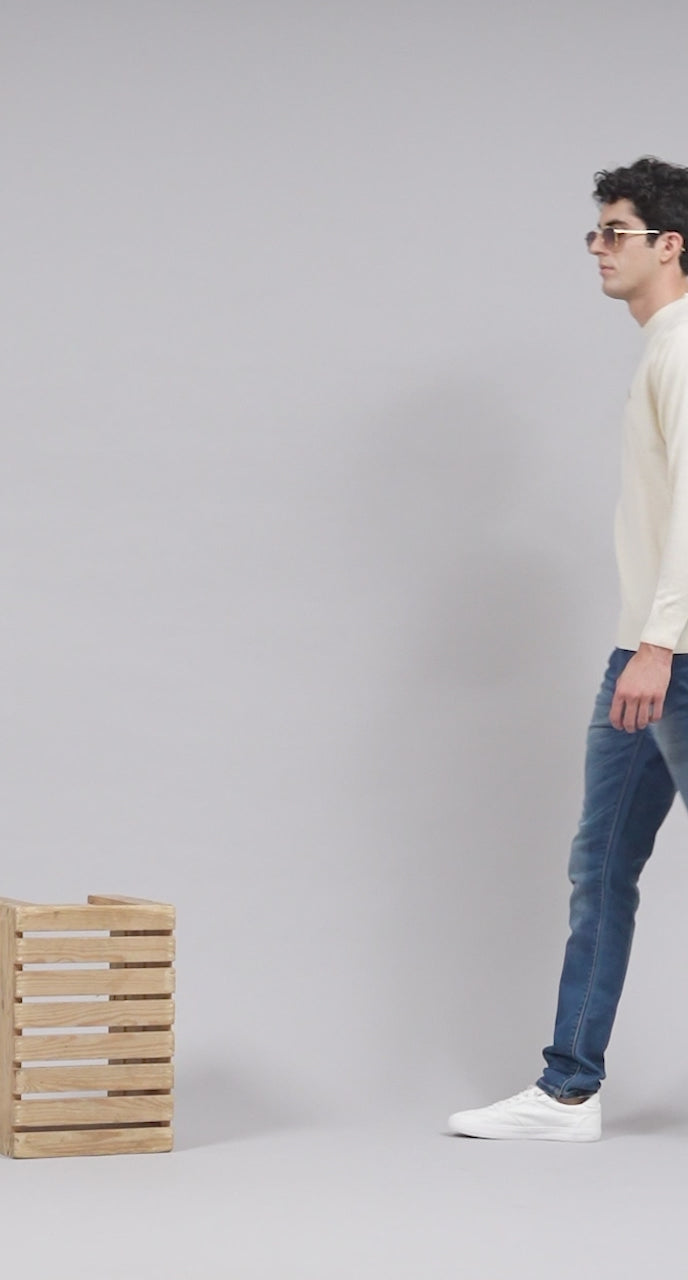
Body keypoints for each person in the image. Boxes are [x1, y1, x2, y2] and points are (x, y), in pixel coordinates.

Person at [448, 156, 688, 1142]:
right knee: (600, 867)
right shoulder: (661, 347)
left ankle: (567, 1085)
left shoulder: (685, 349)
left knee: (601, 869)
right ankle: (567, 1090)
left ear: (671, 245)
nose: (597, 248)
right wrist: (644, 646)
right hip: (644, 655)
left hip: (671, 657)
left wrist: (660, 644)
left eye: (615, 232)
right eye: (596, 231)